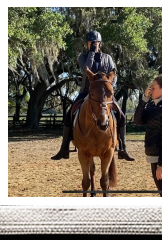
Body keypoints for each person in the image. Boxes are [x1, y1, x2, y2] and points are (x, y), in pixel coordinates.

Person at [51, 30, 134, 161]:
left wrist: (110, 86)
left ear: (100, 43)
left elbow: (114, 74)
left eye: (95, 43)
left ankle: (123, 148)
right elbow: (86, 70)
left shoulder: (108, 58)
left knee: (121, 115)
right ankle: (64, 148)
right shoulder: (83, 57)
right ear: (87, 44)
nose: (93, 45)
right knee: (69, 114)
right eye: (90, 43)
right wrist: (91, 53)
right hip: (86, 92)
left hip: (105, 95)